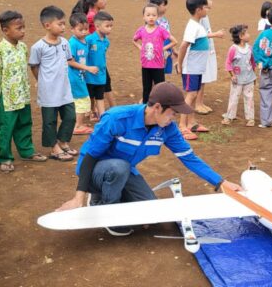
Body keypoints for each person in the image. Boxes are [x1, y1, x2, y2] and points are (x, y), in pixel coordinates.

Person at [55, 82, 243, 236]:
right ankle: (101, 203)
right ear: (157, 108)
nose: (175, 118)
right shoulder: (117, 118)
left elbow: (189, 158)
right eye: (173, 112)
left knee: (151, 214)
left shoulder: (167, 129)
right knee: (118, 168)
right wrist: (78, 197)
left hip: (125, 171)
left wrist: (221, 183)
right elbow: (90, 158)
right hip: (95, 173)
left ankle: (115, 198)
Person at [0, 10, 48, 173]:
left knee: (25, 123)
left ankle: (26, 151)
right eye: (18, 28)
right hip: (8, 97)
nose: (22, 31)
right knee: (7, 127)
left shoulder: (23, 47)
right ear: (5, 30)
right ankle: (5, 157)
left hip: (22, 95)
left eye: (23, 28)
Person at [29, 6, 82, 162]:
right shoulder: (38, 47)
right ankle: (54, 147)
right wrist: (41, 81)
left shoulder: (65, 42)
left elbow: (68, 60)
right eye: (60, 24)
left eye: (64, 24)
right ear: (47, 25)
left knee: (70, 116)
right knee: (50, 120)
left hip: (65, 89)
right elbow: (34, 66)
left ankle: (63, 141)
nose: (63, 27)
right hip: (48, 90)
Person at [177, 0, 211, 140]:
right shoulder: (192, 26)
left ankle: (191, 123)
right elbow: (184, 45)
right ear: (199, 10)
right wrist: (179, 63)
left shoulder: (198, 25)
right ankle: (182, 126)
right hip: (191, 68)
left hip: (197, 68)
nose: (207, 9)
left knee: (194, 94)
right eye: (205, 7)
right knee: (190, 95)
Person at [133, 4, 176, 103]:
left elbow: (174, 41)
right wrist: (140, 48)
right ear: (143, 16)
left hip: (158, 65)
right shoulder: (141, 30)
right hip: (145, 65)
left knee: (160, 88)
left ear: (157, 16)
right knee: (146, 88)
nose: (151, 17)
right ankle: (145, 109)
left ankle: (161, 107)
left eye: (153, 15)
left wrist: (163, 48)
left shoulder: (161, 30)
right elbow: (134, 40)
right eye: (148, 15)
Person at [193, 0, 224, 115]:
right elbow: (200, 34)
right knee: (200, 78)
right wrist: (216, 34)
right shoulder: (200, 17)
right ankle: (197, 104)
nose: (212, 1)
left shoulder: (205, 16)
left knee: (203, 78)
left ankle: (200, 102)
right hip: (201, 51)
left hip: (206, 50)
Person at [68, 13, 99, 135]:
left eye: (86, 29)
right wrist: (88, 68)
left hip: (80, 76)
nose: (84, 32)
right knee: (83, 99)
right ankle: (78, 126)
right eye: (80, 30)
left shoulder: (84, 41)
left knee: (78, 100)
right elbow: (70, 61)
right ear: (72, 29)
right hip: (74, 77)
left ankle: (77, 123)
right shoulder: (73, 43)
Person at [222, 24, 256, 127]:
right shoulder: (233, 49)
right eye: (246, 33)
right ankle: (229, 117)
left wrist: (254, 75)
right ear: (241, 36)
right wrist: (232, 75)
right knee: (233, 98)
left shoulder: (250, 48)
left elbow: (252, 62)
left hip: (249, 78)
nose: (249, 35)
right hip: (237, 79)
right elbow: (228, 63)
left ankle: (250, 118)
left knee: (249, 98)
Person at [85, 11, 114, 118]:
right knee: (90, 96)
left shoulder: (107, 41)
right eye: (107, 26)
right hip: (89, 74)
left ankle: (101, 116)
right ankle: (92, 111)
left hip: (101, 74)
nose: (110, 28)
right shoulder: (89, 40)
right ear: (97, 26)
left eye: (111, 26)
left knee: (100, 96)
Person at [151, 0, 178, 77]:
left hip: (166, 50)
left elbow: (169, 36)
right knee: (155, 73)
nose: (166, 7)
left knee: (162, 73)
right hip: (157, 51)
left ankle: (158, 89)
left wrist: (174, 50)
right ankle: (154, 90)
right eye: (164, 5)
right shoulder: (152, 21)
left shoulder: (165, 20)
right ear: (156, 6)